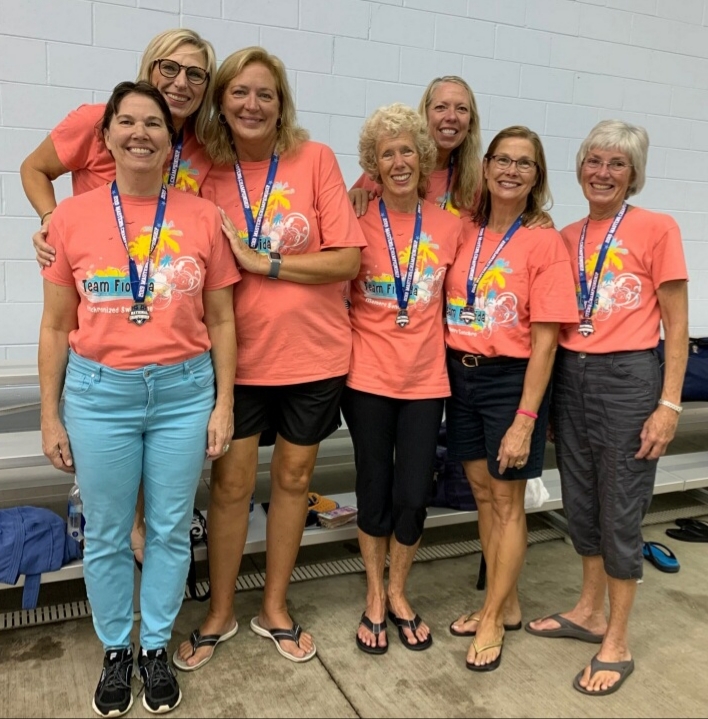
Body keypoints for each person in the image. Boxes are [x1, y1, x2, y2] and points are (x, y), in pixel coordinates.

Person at [38, 81, 238, 717]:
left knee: (173, 530)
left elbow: (224, 318)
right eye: (126, 122)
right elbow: (53, 325)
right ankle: (116, 649)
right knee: (104, 534)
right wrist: (50, 413)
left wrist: (224, 401)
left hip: (183, 392)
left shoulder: (202, 215)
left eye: (154, 123)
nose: (140, 133)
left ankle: (155, 646)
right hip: (100, 396)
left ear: (169, 137)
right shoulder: (69, 218)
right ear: (107, 137)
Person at [174, 46, 365, 670]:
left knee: (292, 482)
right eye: (240, 93)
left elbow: (346, 258)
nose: (252, 105)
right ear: (221, 102)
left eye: (266, 94)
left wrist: (267, 263)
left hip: (314, 358)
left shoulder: (315, 161)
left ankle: (275, 607)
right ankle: (222, 610)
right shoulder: (205, 171)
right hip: (237, 364)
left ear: (281, 104)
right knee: (229, 488)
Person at [21, 27, 217, 566]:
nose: (180, 82)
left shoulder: (199, 146)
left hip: (167, 314)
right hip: (103, 304)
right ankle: (123, 526)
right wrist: (50, 223)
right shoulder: (100, 119)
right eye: (169, 68)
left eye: (195, 73)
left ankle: (153, 549)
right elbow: (33, 168)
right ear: (148, 67)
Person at [525, 120, 689, 695]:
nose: (603, 172)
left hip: (629, 377)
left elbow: (676, 325)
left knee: (620, 508)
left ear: (634, 174)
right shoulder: (564, 237)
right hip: (572, 374)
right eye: (594, 160)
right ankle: (589, 610)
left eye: (617, 164)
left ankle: (616, 639)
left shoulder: (657, 229)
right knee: (583, 500)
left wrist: (669, 403)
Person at [444, 126, 578, 671]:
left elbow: (546, 343)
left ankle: (493, 614)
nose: (510, 170)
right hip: (461, 375)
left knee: (507, 501)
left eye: (524, 163)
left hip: (511, 379)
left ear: (536, 177)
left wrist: (526, 419)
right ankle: (509, 601)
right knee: (482, 494)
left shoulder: (543, 242)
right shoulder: (463, 229)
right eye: (501, 159)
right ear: (485, 166)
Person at [343, 103, 463, 655]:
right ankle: (373, 593)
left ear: (423, 158)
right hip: (366, 376)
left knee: (414, 493)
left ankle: (399, 590)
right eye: (386, 152)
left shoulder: (450, 225)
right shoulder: (355, 219)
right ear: (373, 163)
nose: (398, 161)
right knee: (374, 490)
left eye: (407, 150)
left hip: (425, 380)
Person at [349, 75, 482, 218]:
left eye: (461, 109)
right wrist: (356, 195)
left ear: (470, 123)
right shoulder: (395, 165)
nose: (451, 117)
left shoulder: (476, 176)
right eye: (441, 107)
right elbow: (352, 207)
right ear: (425, 115)